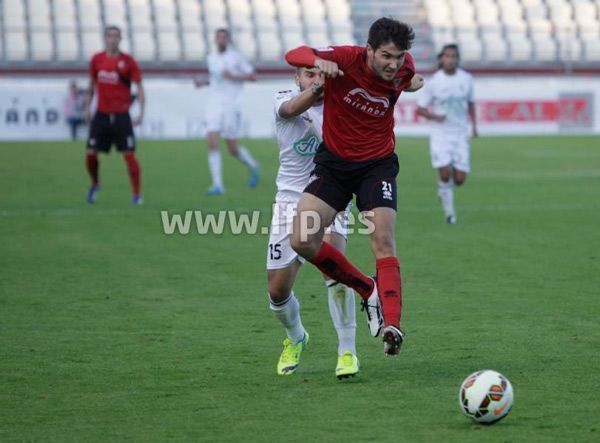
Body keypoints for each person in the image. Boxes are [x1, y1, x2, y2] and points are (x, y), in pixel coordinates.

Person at [284, 17, 422, 356]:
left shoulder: (404, 70)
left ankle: (392, 324)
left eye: (400, 57)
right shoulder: (347, 58)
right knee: (302, 239)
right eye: (386, 56)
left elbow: (412, 79)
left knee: (383, 240)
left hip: (377, 167)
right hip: (334, 165)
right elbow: (294, 54)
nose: (394, 64)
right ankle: (367, 289)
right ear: (370, 50)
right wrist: (318, 62)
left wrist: (414, 80)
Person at [268, 66, 357, 378]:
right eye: (308, 74)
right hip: (289, 200)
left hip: (328, 193)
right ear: (296, 79)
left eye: (321, 74)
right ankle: (296, 337)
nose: (315, 79)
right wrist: (316, 96)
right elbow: (293, 108)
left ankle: (347, 351)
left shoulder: (339, 108)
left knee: (335, 273)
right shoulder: (284, 99)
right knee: (277, 293)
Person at [416, 44, 477, 224]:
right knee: (444, 174)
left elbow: (471, 103)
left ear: (457, 59)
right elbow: (420, 109)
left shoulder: (466, 79)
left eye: (453, 56)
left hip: (460, 133)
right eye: (447, 56)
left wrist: (474, 127)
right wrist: (435, 116)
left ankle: (443, 191)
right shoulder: (434, 82)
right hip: (440, 134)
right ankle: (450, 214)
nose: (450, 59)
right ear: (441, 58)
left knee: (459, 179)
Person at [194, 28, 260, 195]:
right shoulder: (211, 58)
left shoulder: (236, 57)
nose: (221, 40)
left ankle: (252, 165)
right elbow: (216, 79)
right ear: (215, 40)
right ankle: (218, 185)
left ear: (228, 40)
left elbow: (253, 76)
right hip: (213, 104)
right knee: (212, 142)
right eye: (218, 37)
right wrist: (203, 82)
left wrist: (234, 75)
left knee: (232, 148)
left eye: (224, 37)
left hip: (232, 105)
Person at [84, 25, 145, 205]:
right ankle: (95, 183)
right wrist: (87, 108)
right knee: (90, 154)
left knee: (129, 155)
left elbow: (139, 88)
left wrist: (141, 112)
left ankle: (136, 194)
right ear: (105, 38)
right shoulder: (97, 60)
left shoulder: (128, 62)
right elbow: (91, 85)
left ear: (120, 39)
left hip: (121, 116)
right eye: (110, 36)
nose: (113, 39)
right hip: (101, 115)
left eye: (116, 36)